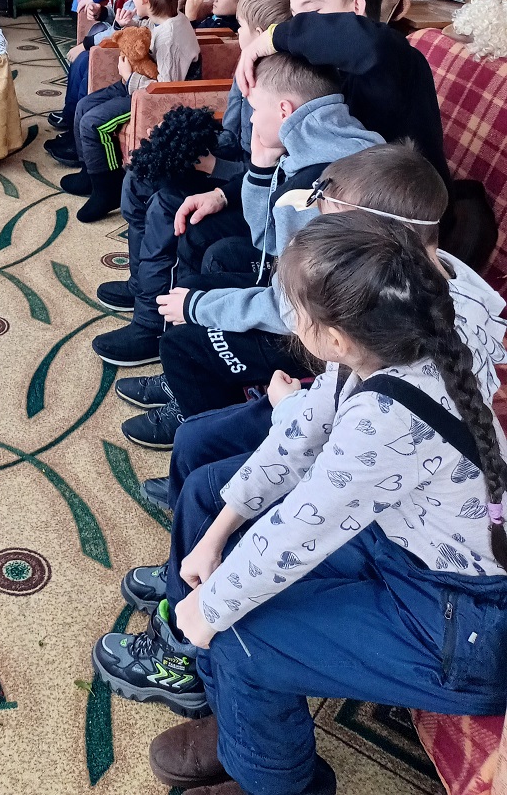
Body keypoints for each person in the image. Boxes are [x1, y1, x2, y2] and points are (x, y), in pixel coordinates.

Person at [94, 213, 507, 795]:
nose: (286, 317)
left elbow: (298, 527)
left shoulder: (386, 419)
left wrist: (210, 608)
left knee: (241, 630)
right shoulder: (394, 339)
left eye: (294, 310)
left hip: (460, 625)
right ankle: (243, 731)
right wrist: (218, 533)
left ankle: (278, 782)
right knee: (233, 571)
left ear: (335, 338)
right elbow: (297, 439)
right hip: (410, 555)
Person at [111, 52, 385, 450]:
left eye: (255, 109)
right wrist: (259, 167)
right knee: (203, 280)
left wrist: (198, 308)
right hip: (311, 303)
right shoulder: (335, 141)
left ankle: (207, 434)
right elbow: (268, 243)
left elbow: (288, 309)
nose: (251, 120)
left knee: (181, 340)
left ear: (285, 110)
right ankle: (190, 383)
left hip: (322, 338)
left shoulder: (311, 191)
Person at [95, 0, 289, 359]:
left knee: (166, 205)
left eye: (241, 27)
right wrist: (187, 145)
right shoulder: (247, 68)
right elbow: (232, 134)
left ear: (260, 34)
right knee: (139, 179)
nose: (237, 34)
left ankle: (151, 325)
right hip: (230, 169)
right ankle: (141, 286)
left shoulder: (283, 86)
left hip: (249, 188)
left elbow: (275, 170)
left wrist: (215, 166)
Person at [236, 0, 449, 184]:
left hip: (403, 197)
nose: (299, 25)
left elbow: (369, 42)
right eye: (295, 17)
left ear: (356, 8)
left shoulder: (394, 57)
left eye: (312, 13)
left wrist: (273, 36)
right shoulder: (323, 70)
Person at [61, 0, 200, 223]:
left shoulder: (171, 36)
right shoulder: (160, 20)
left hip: (153, 99)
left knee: (93, 123)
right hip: (137, 85)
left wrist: (129, 78)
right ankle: (89, 173)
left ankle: (107, 189)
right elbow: (144, 34)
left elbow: (167, 89)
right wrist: (126, 23)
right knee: (84, 106)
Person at [46, 0, 140, 165]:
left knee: (86, 61)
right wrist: (102, 12)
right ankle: (71, 121)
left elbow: (125, 28)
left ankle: (77, 141)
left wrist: (86, 43)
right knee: (80, 63)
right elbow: (118, 16)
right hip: (116, 39)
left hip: (129, 48)